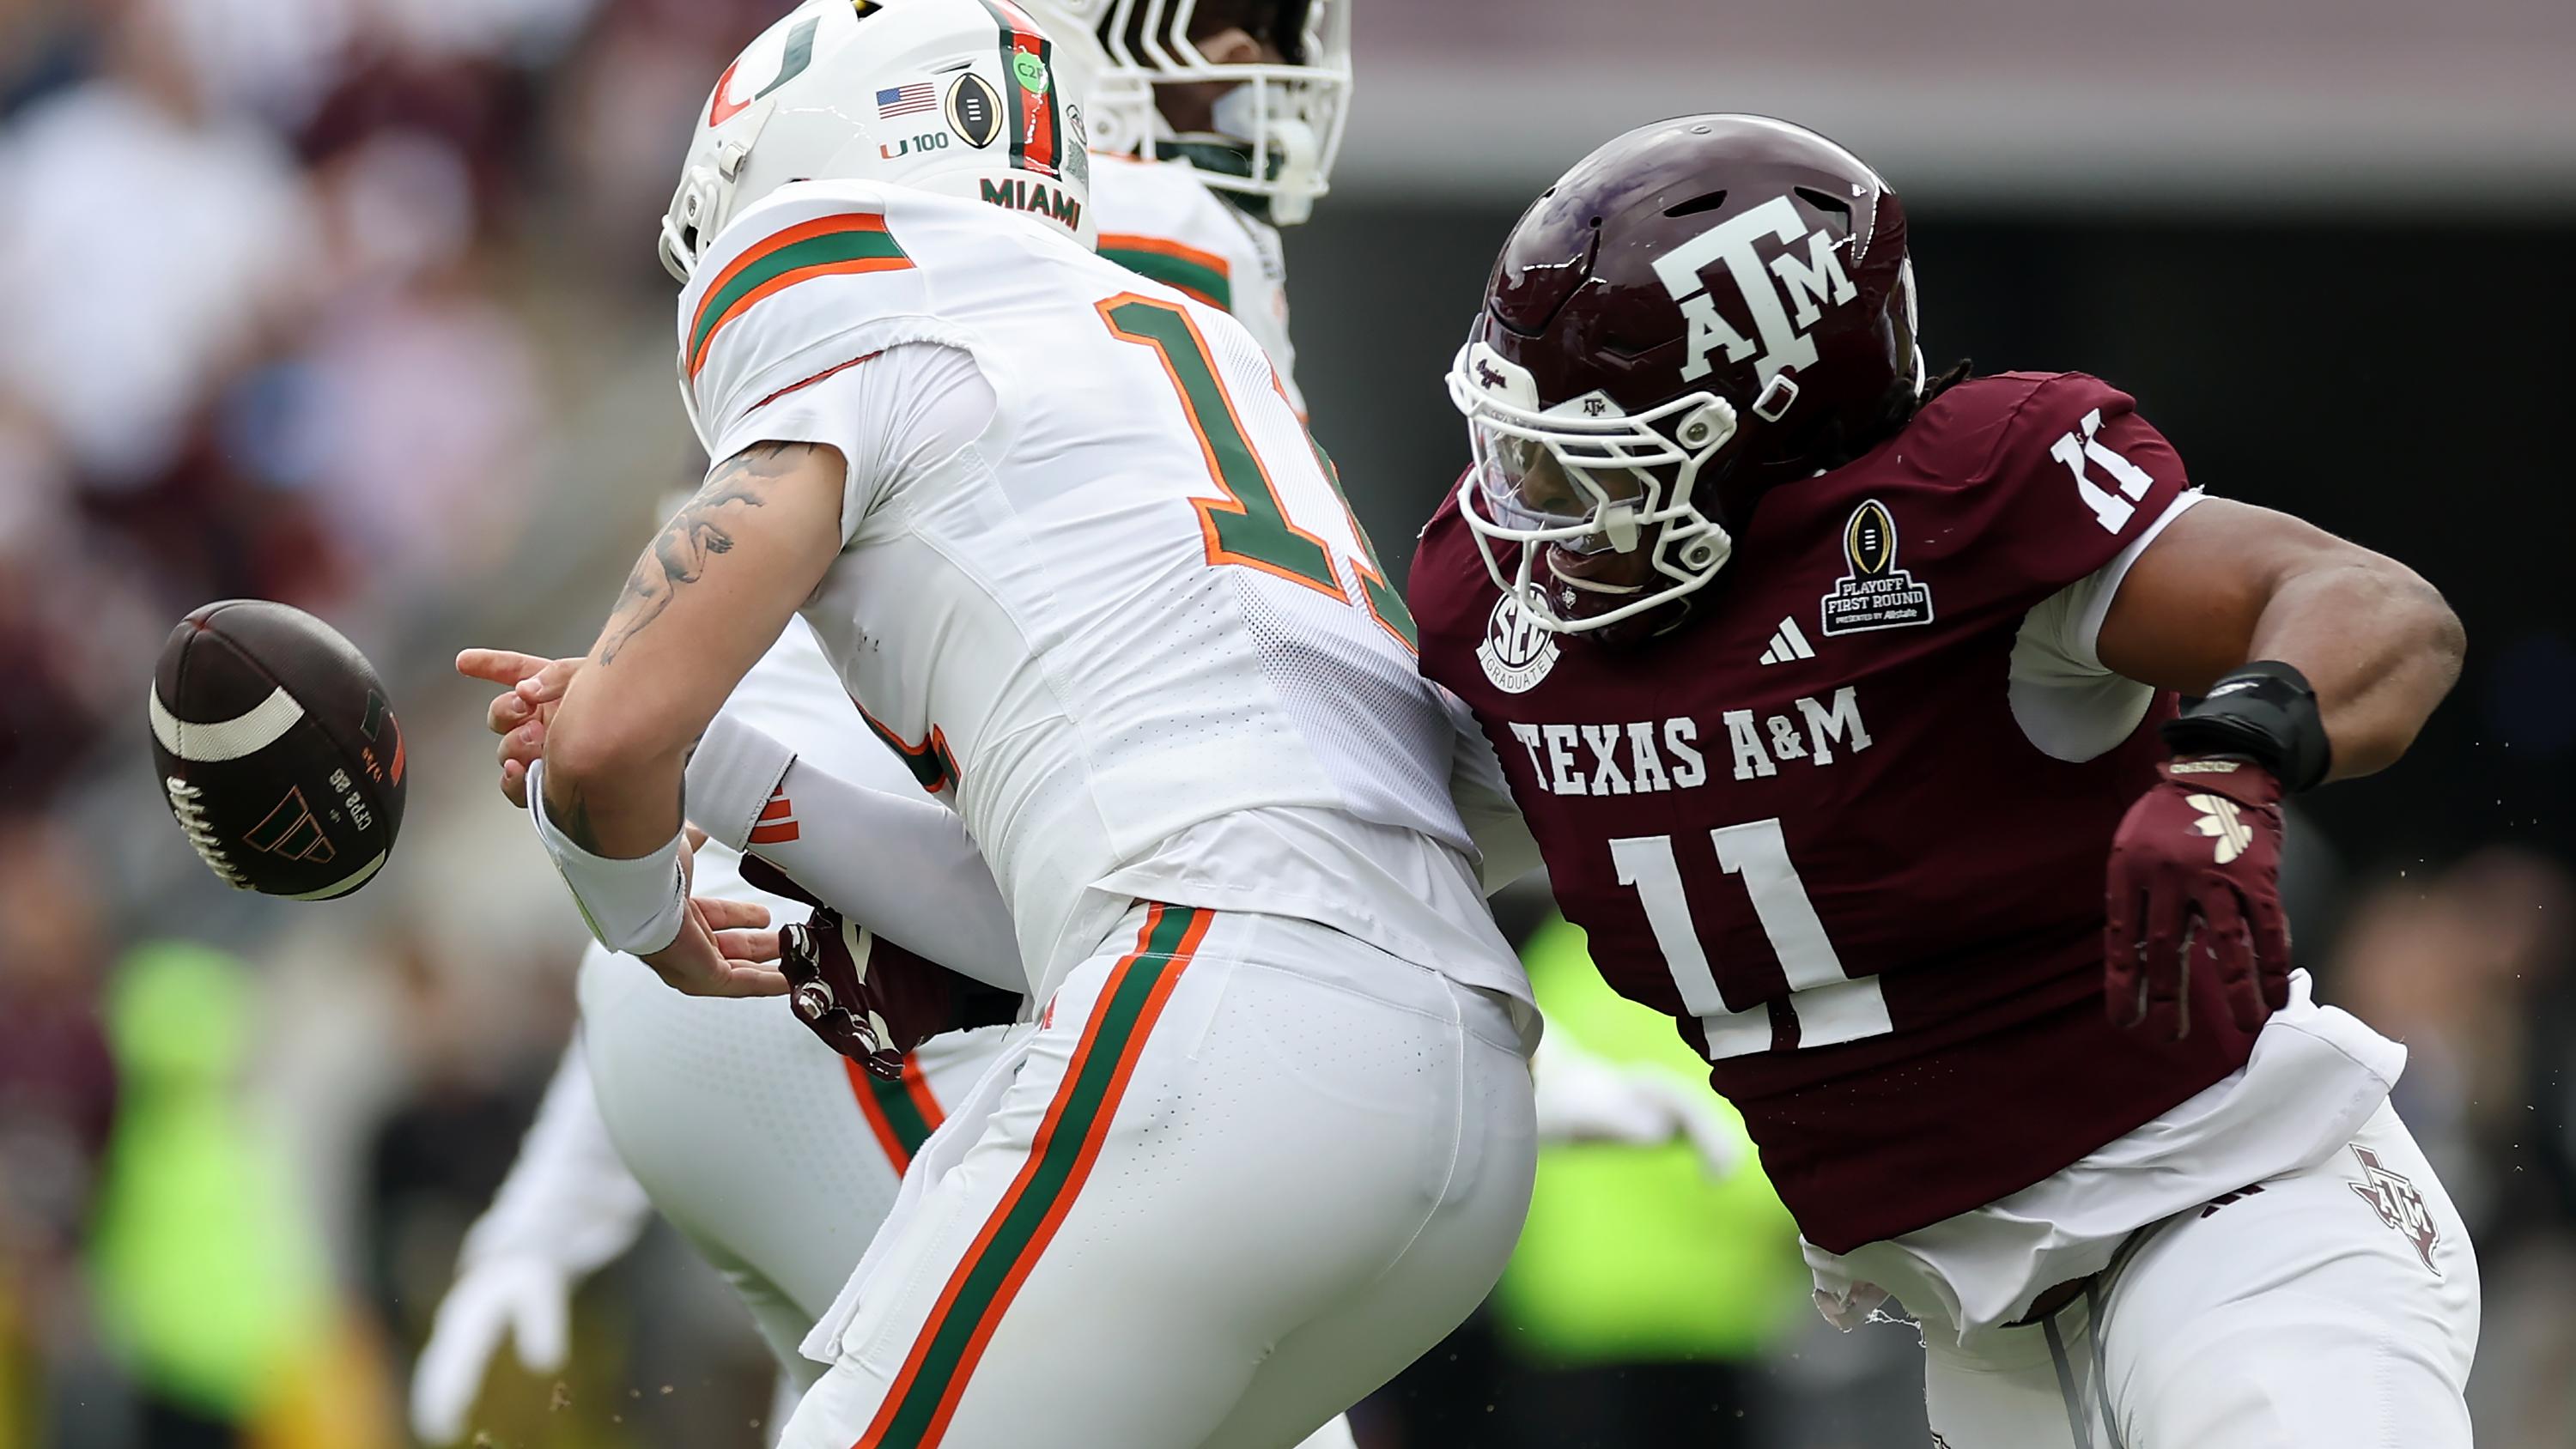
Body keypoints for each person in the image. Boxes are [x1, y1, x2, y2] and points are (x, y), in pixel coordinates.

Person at [474, 2, 1544, 1445]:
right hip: (1460, 1092)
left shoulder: (857, 287)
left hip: (1211, 1021)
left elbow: (606, 748)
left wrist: (644, 916)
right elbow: (1080, 879)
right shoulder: (1188, 345)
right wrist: (720, 763)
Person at [1409, 114, 2476, 1446]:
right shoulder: (1505, 619)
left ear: (1767, 418)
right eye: (1527, 450)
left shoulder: (1962, 508)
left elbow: (2374, 608)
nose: (1541, 512)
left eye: (1600, 458)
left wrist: (2232, 757)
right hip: (1978, 1327)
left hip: (2239, 1221)